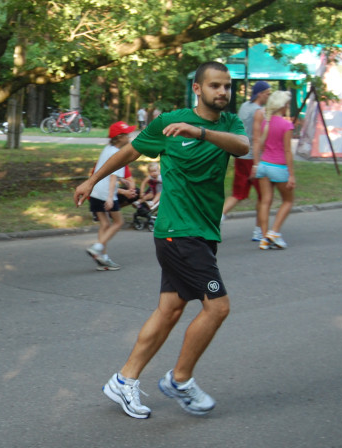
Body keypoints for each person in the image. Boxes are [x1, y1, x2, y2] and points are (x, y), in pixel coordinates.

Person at [74, 61, 248, 418]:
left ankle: (123, 381)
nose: (223, 93)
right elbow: (130, 151)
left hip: (202, 231)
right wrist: (92, 181)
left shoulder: (229, 124)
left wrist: (201, 133)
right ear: (198, 88)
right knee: (218, 306)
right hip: (178, 232)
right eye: (215, 86)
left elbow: (242, 147)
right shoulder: (168, 123)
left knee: (169, 310)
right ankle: (180, 380)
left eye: (227, 86)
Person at [85, 121, 137, 271]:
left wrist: (123, 180)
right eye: (127, 134)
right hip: (105, 193)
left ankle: (103, 258)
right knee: (118, 222)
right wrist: (109, 197)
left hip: (94, 192)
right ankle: (97, 247)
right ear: (120, 137)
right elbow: (113, 177)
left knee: (105, 224)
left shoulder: (107, 149)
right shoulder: (118, 154)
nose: (129, 136)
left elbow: (107, 172)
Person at [222, 80, 270, 241]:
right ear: (260, 94)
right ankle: (259, 230)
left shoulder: (244, 107)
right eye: (267, 94)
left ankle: (218, 218)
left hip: (241, 155)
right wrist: (257, 163)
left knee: (238, 193)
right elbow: (258, 138)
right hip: (253, 157)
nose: (268, 97)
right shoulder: (259, 112)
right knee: (263, 196)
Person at [254, 90, 295, 250]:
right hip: (279, 167)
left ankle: (264, 238)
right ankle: (274, 232)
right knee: (288, 200)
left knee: (265, 201)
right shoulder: (286, 125)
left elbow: (261, 144)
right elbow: (287, 151)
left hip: (264, 166)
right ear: (283, 106)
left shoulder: (266, 123)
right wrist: (291, 174)